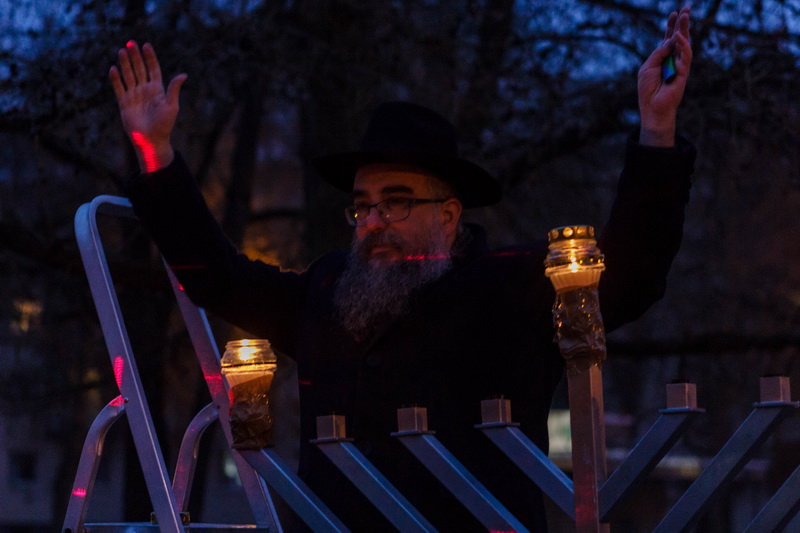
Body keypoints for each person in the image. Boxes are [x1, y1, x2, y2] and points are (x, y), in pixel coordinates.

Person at [109, 7, 694, 532]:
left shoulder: (511, 287)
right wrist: (157, 156)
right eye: (362, 206)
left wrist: (657, 132)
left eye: (395, 202)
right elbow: (219, 278)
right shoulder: (327, 292)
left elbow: (632, 276)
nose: (373, 221)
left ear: (449, 215)